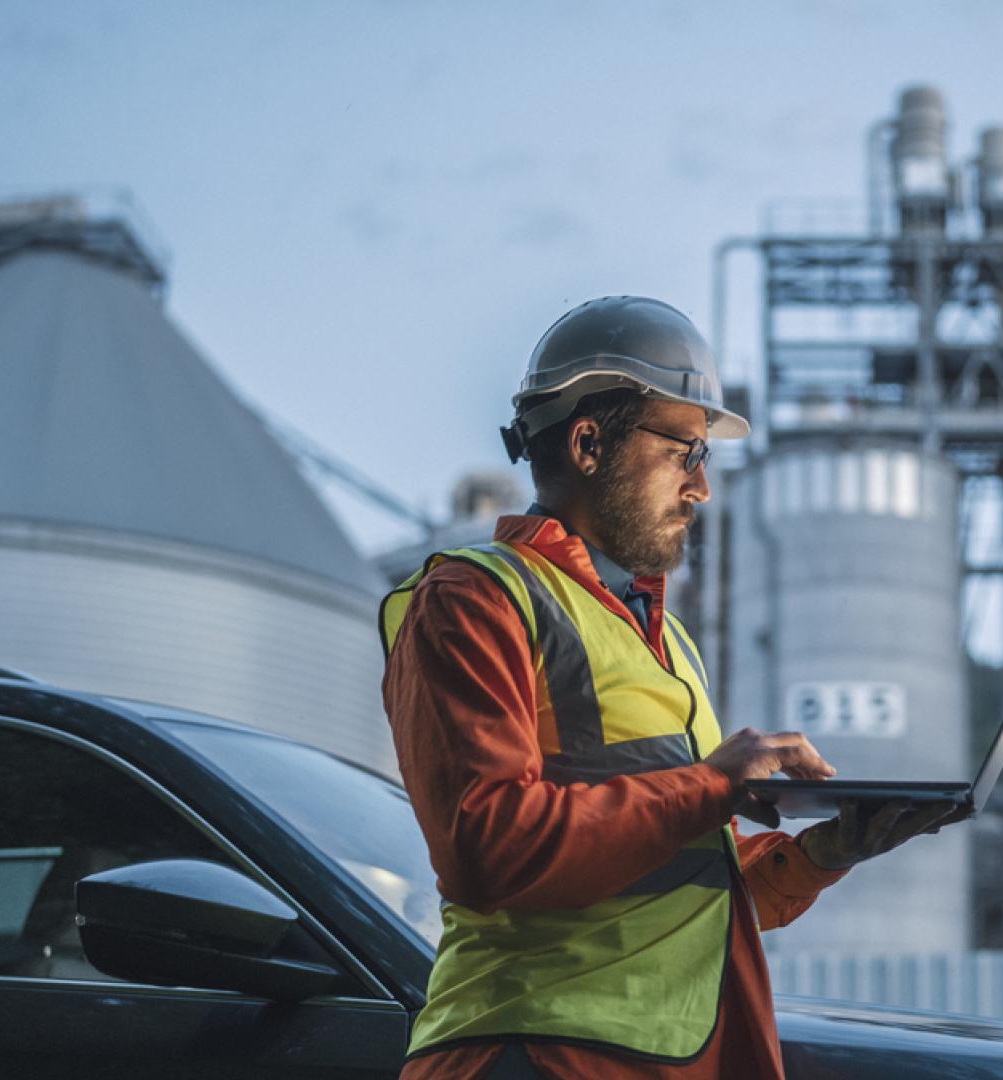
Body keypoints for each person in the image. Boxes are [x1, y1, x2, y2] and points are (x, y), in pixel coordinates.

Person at [379, 296, 963, 1079]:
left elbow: (679, 894)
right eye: (684, 451)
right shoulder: (474, 599)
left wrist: (823, 853)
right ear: (589, 443)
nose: (701, 489)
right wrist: (713, 784)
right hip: (535, 1055)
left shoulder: (661, 639)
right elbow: (488, 848)